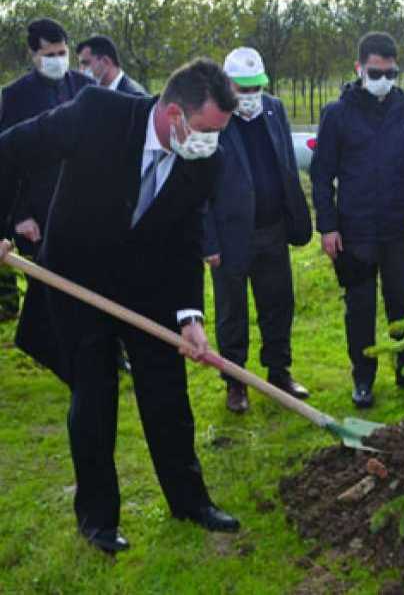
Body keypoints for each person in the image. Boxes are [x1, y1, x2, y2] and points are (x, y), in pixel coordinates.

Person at [0, 59, 242, 553]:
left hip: (147, 289)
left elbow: (185, 238)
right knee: (94, 397)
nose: (212, 144)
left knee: (168, 396)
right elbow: (11, 151)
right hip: (76, 282)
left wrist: (190, 317)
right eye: (206, 130)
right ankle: (98, 520)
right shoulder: (96, 114)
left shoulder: (204, 160)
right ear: (173, 113)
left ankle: (190, 502)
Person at [311, 32, 404, 409]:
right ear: (360, 69)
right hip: (355, 232)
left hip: (397, 228)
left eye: (390, 72)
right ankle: (363, 379)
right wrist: (328, 226)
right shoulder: (337, 113)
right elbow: (321, 176)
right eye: (375, 72)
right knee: (360, 307)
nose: (383, 78)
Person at [205, 47, 312, 413]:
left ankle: (279, 372)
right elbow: (199, 185)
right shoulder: (211, 118)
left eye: (255, 89)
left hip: (272, 229)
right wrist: (208, 240)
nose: (250, 97)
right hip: (230, 234)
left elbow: (284, 164)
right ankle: (235, 382)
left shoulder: (274, 109)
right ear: (226, 85)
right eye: (242, 89)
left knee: (278, 303)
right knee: (232, 311)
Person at [0, 18, 93, 322]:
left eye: (61, 53)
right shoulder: (15, 96)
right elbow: (8, 159)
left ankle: (108, 349)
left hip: (81, 204)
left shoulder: (85, 89)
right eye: (49, 55)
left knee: (93, 280)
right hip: (38, 211)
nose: (57, 61)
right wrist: (20, 215)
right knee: (50, 286)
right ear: (33, 55)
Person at [76, 35, 147, 96]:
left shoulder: (135, 96)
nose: (81, 70)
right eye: (80, 65)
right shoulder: (94, 95)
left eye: (86, 63)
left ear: (106, 61)